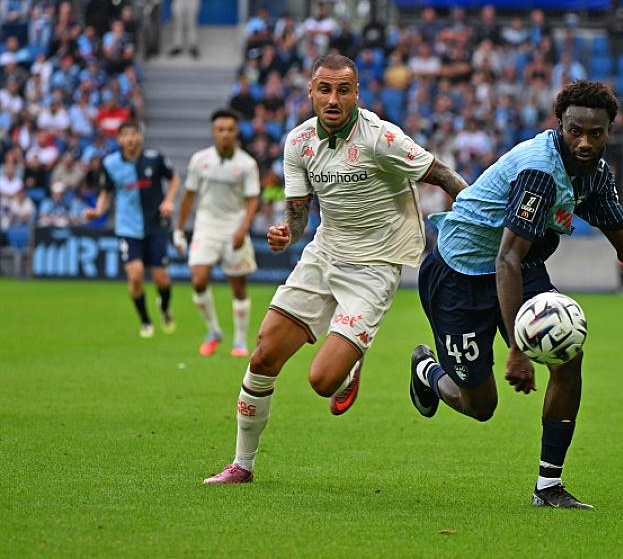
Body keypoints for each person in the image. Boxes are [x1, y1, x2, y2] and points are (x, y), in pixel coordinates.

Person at [408, 80, 623, 509]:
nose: (584, 142)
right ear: (559, 126)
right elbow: (505, 257)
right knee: (480, 405)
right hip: (460, 274)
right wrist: (519, 352)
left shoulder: (596, 176)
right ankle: (427, 371)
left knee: (569, 356)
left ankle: (548, 487)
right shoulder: (540, 172)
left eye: (594, 133)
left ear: (609, 131)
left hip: (519, 268)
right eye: (575, 131)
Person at [202, 54, 467, 485]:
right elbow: (299, 214)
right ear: (310, 91)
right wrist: (288, 233)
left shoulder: (382, 137)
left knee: (322, 381)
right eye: (324, 89)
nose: (333, 98)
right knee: (264, 353)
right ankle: (242, 465)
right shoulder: (298, 142)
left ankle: (350, 363)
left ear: (356, 94)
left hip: (375, 265)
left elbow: (440, 174)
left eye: (343, 90)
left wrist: (475, 210)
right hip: (324, 253)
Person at [173, 108, 261, 357]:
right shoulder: (200, 160)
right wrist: (179, 229)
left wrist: (243, 229)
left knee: (238, 286)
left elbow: (253, 200)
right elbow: (189, 196)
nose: (225, 134)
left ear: (236, 132)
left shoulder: (246, 164)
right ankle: (213, 331)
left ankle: (240, 341)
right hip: (206, 225)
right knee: (198, 279)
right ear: (213, 132)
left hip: (234, 226)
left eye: (230, 130)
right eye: (220, 130)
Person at [83, 120, 181, 338]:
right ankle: (146, 321)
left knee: (162, 280)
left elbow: (174, 178)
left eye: (133, 134)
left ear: (140, 137)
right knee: (135, 276)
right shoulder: (111, 163)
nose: (130, 139)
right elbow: (106, 191)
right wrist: (98, 211)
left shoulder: (154, 158)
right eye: (125, 135)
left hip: (155, 226)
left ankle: (164, 307)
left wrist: (168, 200)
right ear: (119, 139)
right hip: (128, 228)